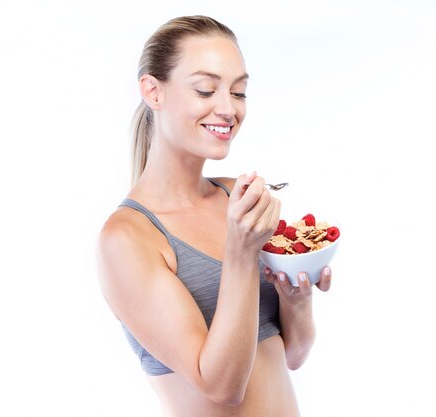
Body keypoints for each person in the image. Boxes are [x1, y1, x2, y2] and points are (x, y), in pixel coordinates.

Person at [96, 15, 333, 417]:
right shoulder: (127, 238)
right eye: (206, 89)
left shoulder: (234, 197)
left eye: (238, 92)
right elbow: (222, 386)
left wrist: (297, 297)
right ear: (153, 91)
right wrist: (241, 252)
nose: (228, 109)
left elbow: (292, 354)